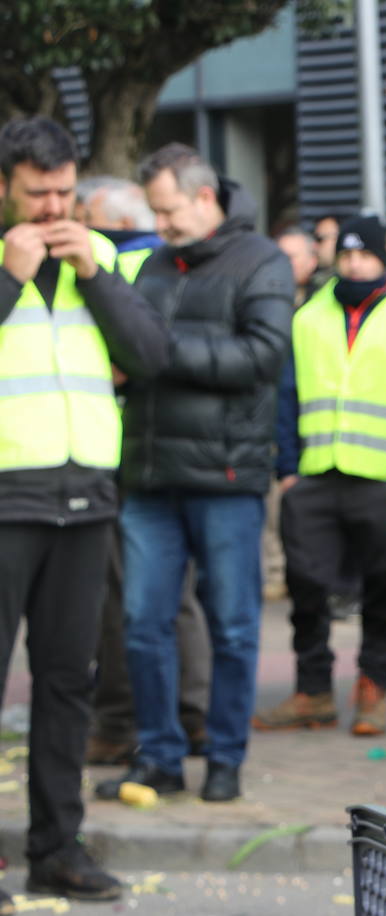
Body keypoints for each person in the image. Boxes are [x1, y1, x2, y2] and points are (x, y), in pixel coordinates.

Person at [0, 115, 169, 903]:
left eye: (66, 192)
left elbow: (149, 353)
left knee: (68, 682)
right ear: (6, 189)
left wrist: (92, 276)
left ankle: (56, 849)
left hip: (85, 499)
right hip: (6, 502)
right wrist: (10, 276)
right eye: (38, 194)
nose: (54, 208)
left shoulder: (98, 255)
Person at [93, 143, 294, 806]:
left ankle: (226, 758)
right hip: (150, 476)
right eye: (154, 211)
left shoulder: (261, 261)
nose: (162, 223)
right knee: (143, 623)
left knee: (233, 625)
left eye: (169, 210)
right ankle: (161, 757)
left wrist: (157, 352)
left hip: (226, 478)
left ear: (205, 198)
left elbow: (263, 356)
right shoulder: (151, 263)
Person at [254, 215, 386, 736]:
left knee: (381, 588)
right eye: (348, 254)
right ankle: (313, 691)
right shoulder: (308, 317)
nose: (356, 263)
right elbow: (285, 395)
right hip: (314, 477)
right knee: (306, 587)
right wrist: (288, 470)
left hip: (381, 480)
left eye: (367, 255)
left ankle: (372, 688)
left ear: (385, 260)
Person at [77, 178, 209, 769]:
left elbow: (125, 359)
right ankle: (191, 717)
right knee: (175, 594)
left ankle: (119, 723)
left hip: (120, 446)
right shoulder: (175, 262)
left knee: (122, 596)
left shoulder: (115, 264)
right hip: (174, 449)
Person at [275, 225, 322, 308]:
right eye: (280, 257)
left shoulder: (323, 299)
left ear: (312, 261)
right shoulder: (264, 298)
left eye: (290, 257)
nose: (283, 263)